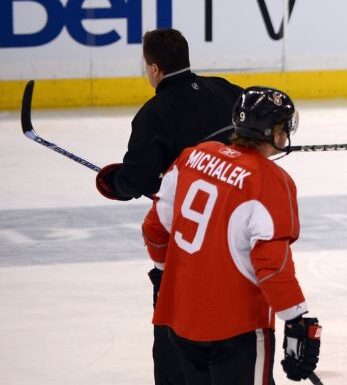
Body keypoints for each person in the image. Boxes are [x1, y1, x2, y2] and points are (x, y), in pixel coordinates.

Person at [91, 28, 243, 385]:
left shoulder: (154, 113)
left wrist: (115, 182)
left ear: (154, 68)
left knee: (175, 330)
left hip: (188, 238)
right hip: (236, 226)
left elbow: (140, 180)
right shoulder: (226, 89)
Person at [142, 87, 321, 384]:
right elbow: (271, 265)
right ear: (274, 131)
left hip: (178, 317)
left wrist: (165, 275)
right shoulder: (272, 181)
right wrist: (296, 320)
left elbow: (155, 229)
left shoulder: (193, 156)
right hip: (236, 329)